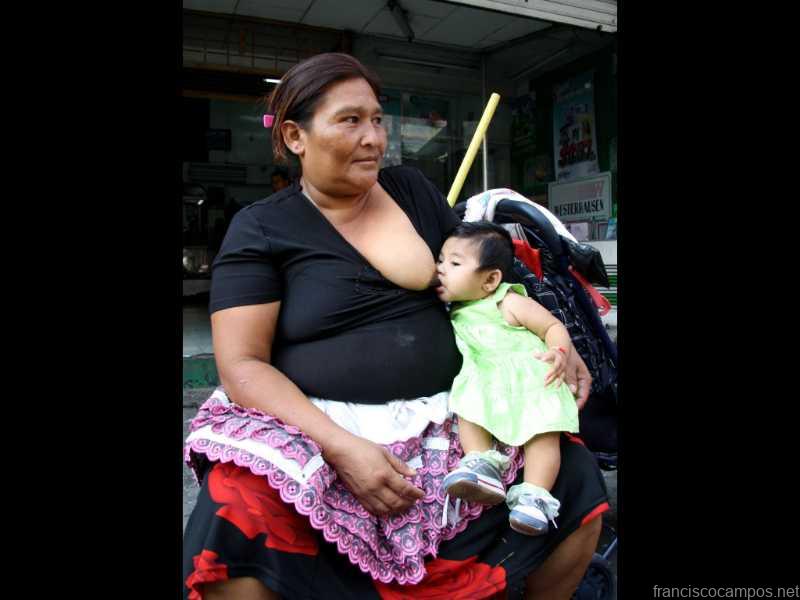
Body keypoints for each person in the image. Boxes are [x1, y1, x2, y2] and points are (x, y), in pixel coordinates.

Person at [183, 52, 608, 600]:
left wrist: (553, 333)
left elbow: (486, 279)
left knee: (574, 477)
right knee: (231, 511)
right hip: (317, 427)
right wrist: (339, 447)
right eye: (350, 120)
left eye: (377, 119)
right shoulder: (262, 227)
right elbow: (241, 363)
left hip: (452, 418)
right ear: (294, 136)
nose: (374, 138)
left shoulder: (410, 191)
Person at [436, 221, 579, 537]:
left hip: (531, 379)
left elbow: (551, 326)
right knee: (467, 406)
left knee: (543, 432)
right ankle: (480, 464)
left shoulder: (507, 301)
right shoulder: (451, 310)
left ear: (490, 280)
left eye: (455, 263)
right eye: (441, 260)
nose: (441, 269)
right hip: (485, 380)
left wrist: (558, 352)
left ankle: (535, 496)